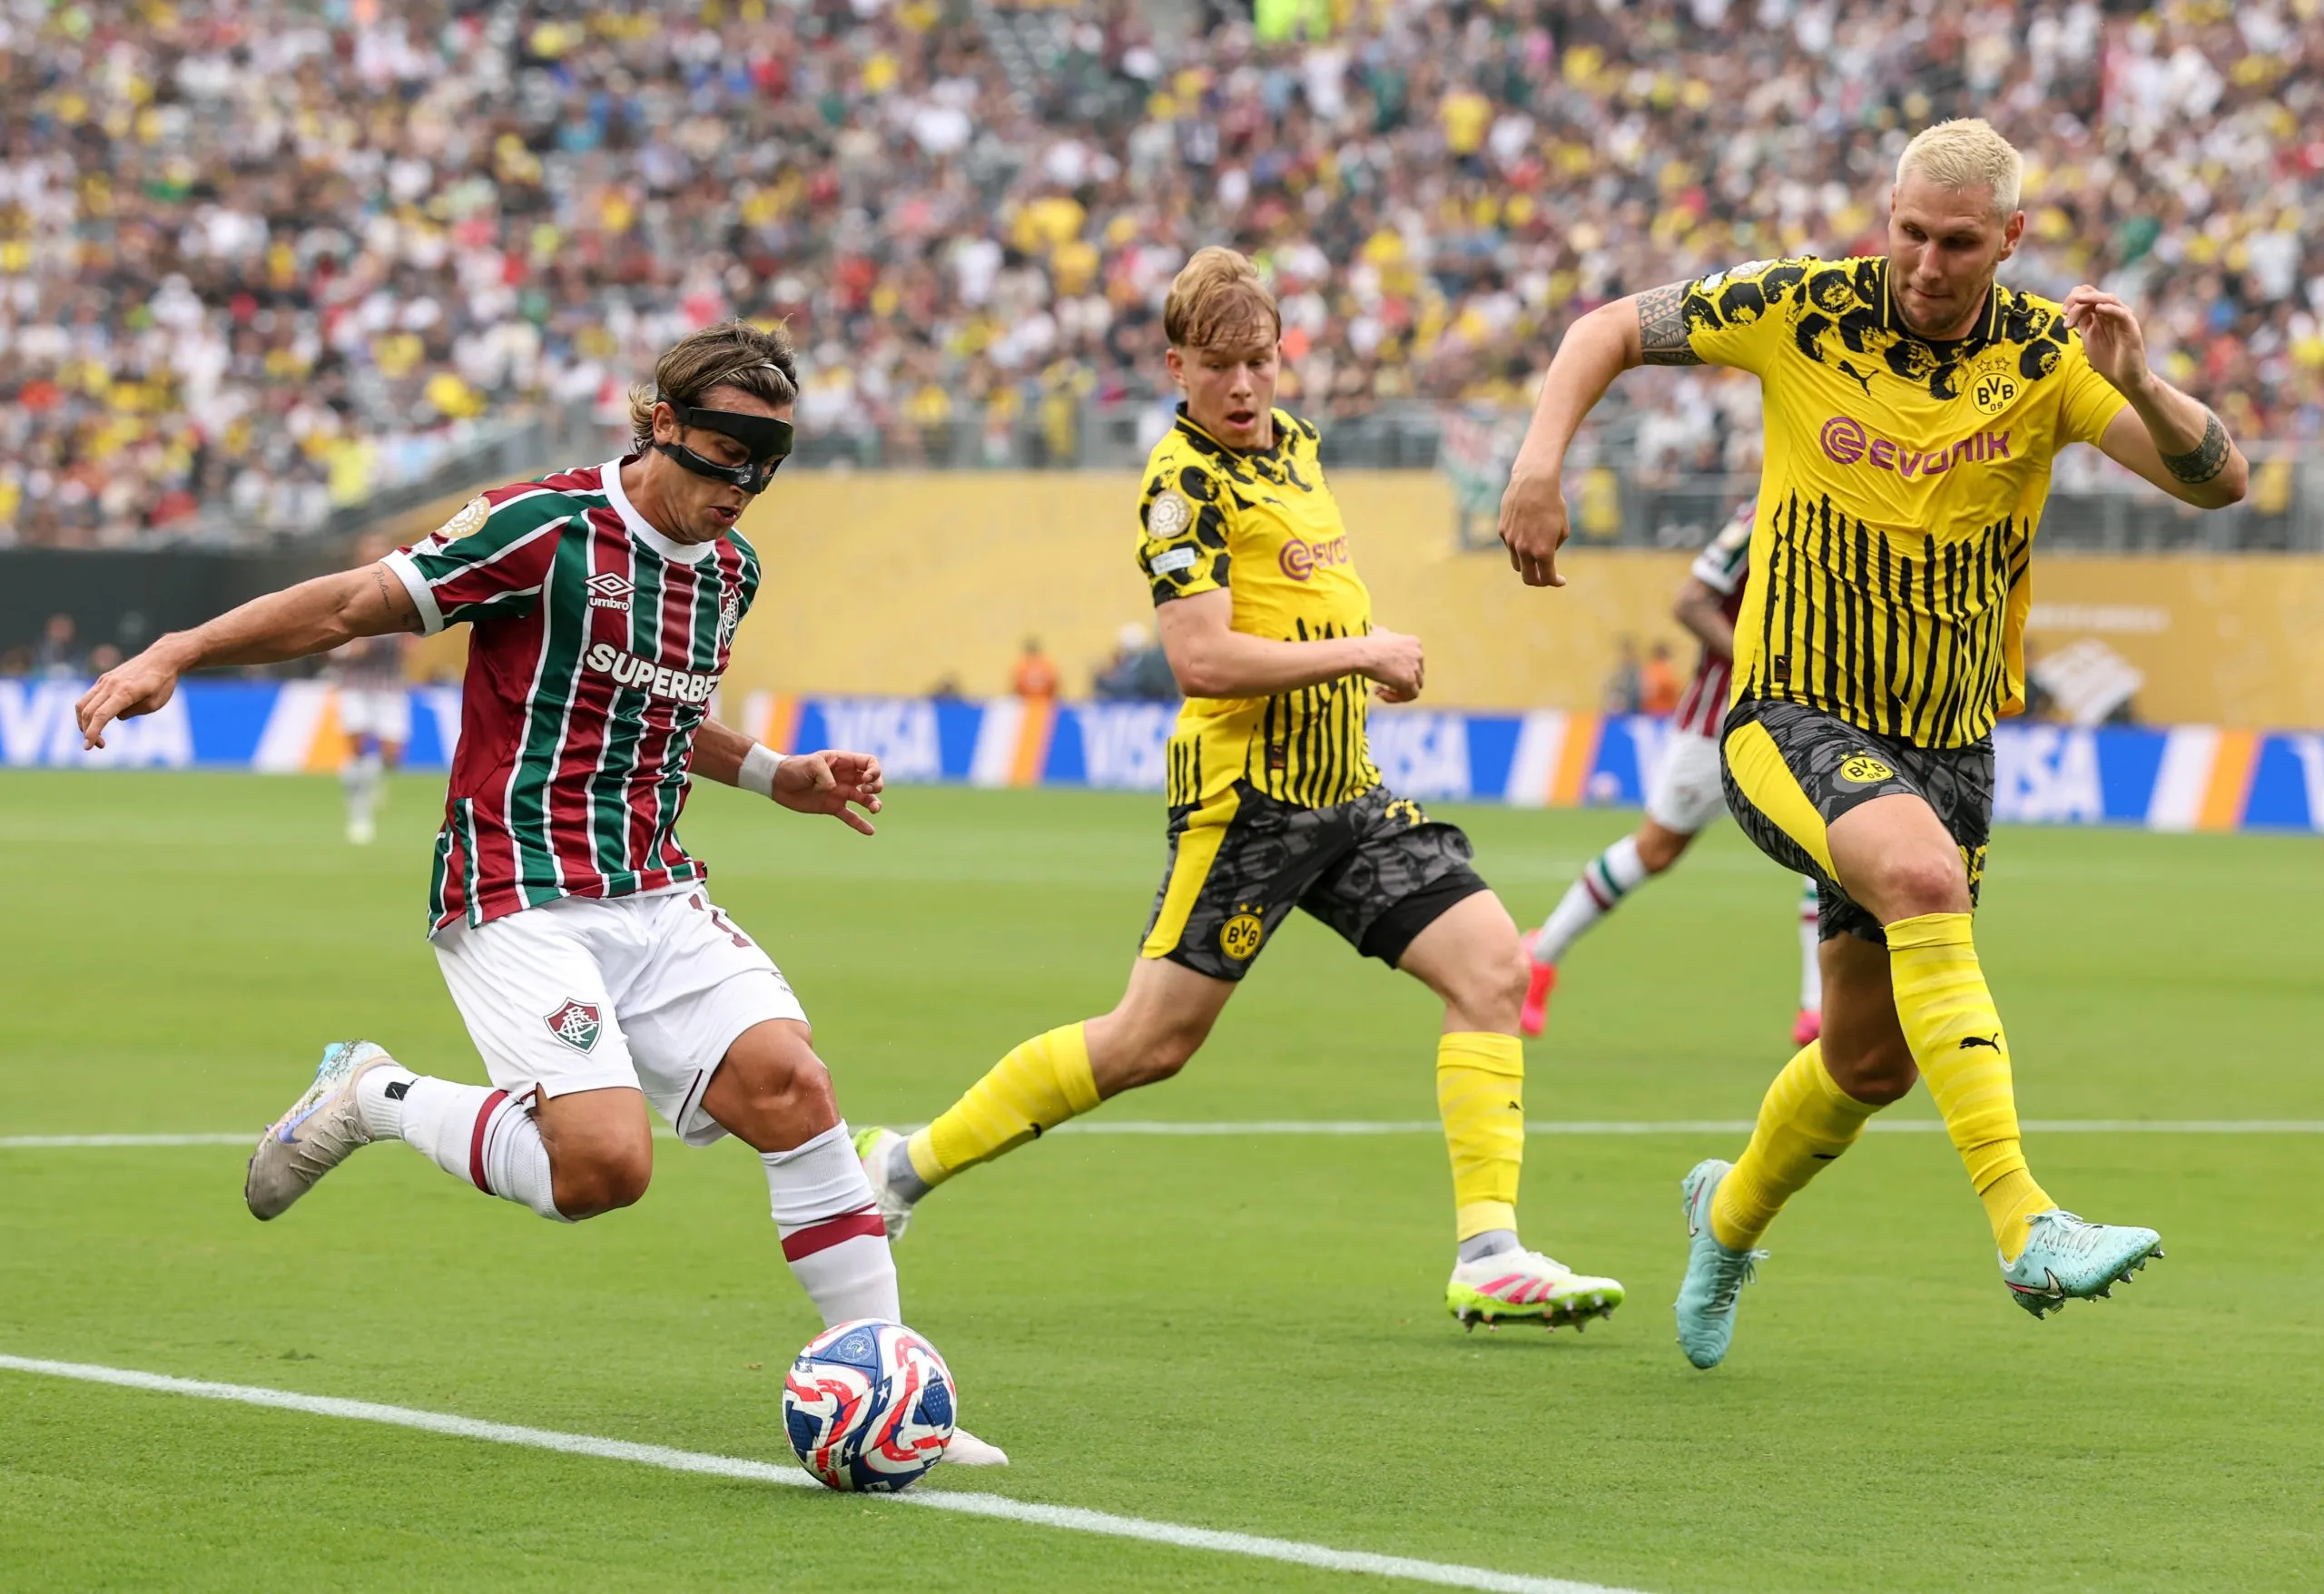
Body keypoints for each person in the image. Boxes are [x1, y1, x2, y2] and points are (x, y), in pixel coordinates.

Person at [75, 320, 1005, 1461]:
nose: (744, 486)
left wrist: (777, 775)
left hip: (654, 888)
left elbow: (661, 706)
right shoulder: (542, 526)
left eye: (768, 464)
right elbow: (350, 605)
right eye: (725, 452)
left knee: (794, 1087)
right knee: (604, 1170)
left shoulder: (729, 572)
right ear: (661, 422)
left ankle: (890, 1387)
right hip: (516, 884)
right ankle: (375, 1096)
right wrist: (178, 647)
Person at [1496, 119, 2246, 1367]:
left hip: (1950, 751)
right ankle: (2027, 1221)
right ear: (1884, 214)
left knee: (1867, 1062)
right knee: (1921, 880)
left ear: (2009, 241)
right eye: (1910, 232)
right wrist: (1538, 463)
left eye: (1959, 243)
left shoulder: (2053, 362)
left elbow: (2214, 479)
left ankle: (1724, 1218)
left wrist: (2144, 378)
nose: (1928, 263)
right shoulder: (1801, 310)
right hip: (1792, 713)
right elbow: (1606, 329)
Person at [857, 248, 1624, 1331]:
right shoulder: (1182, 485)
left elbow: (1299, 597)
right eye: (1219, 366)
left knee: (1493, 967)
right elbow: (1204, 661)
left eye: (1260, 361)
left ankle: (1488, 1251)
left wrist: (1353, 654)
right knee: (1148, 1044)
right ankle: (900, 1165)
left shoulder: (1297, 450)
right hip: (1250, 803)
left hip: (1345, 791)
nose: (1244, 387)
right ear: (1178, 365)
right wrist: (1360, 651)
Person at [1521, 499, 1823, 1047]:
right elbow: (1690, 601)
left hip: (1804, 720)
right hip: (1721, 720)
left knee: (1826, 852)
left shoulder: (1854, 510)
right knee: (1655, 850)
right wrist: (1757, 666)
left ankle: (1817, 1011)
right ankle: (1539, 956)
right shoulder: (1766, 515)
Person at [327, 536, 414, 844]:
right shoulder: (346, 589)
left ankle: (372, 781)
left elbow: (413, 636)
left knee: (392, 754)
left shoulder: (403, 591)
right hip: (355, 684)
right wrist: (349, 651)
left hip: (390, 685)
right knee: (357, 745)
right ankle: (359, 813)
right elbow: (330, 637)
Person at [1009, 636, 1059, 701]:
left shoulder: (1022, 667)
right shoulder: (1047, 666)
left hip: (1027, 703)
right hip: (1045, 702)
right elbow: (1054, 685)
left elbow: (1015, 687)